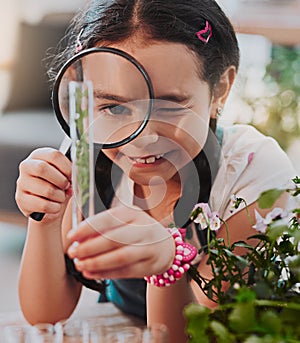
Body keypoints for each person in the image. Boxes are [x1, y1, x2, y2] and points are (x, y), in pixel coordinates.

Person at [15, 0, 296, 342]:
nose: (143, 138)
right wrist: (44, 215)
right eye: (114, 107)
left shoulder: (250, 172)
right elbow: (46, 315)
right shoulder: (89, 157)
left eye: (170, 104)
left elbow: (198, 334)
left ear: (220, 89)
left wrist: (168, 263)